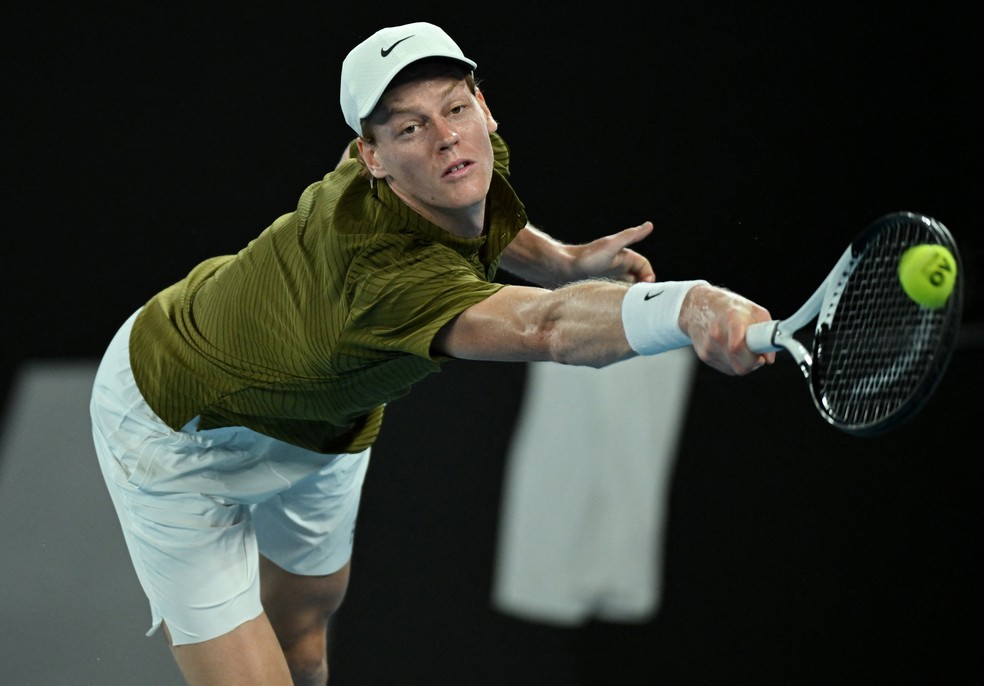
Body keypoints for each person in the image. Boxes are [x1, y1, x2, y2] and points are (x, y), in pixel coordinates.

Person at [89, 21, 775, 686]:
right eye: (410, 127)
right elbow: (550, 329)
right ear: (373, 157)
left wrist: (562, 260)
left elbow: (485, 228)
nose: (447, 136)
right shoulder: (381, 282)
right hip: (176, 426)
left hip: (318, 423)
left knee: (305, 641)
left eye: (455, 106)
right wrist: (690, 306)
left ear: (484, 106)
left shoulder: (456, 156)